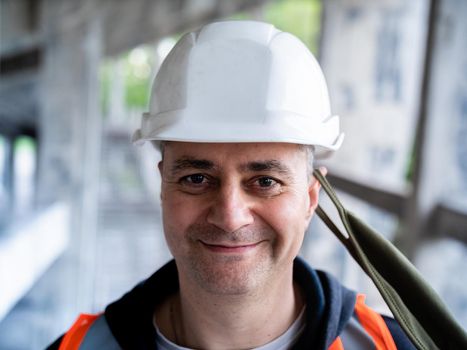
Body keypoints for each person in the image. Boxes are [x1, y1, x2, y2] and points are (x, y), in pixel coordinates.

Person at [48, 21, 415, 349]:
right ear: (164, 187)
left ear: (309, 198)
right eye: (197, 179)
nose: (229, 216)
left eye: (265, 181)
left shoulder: (388, 345)